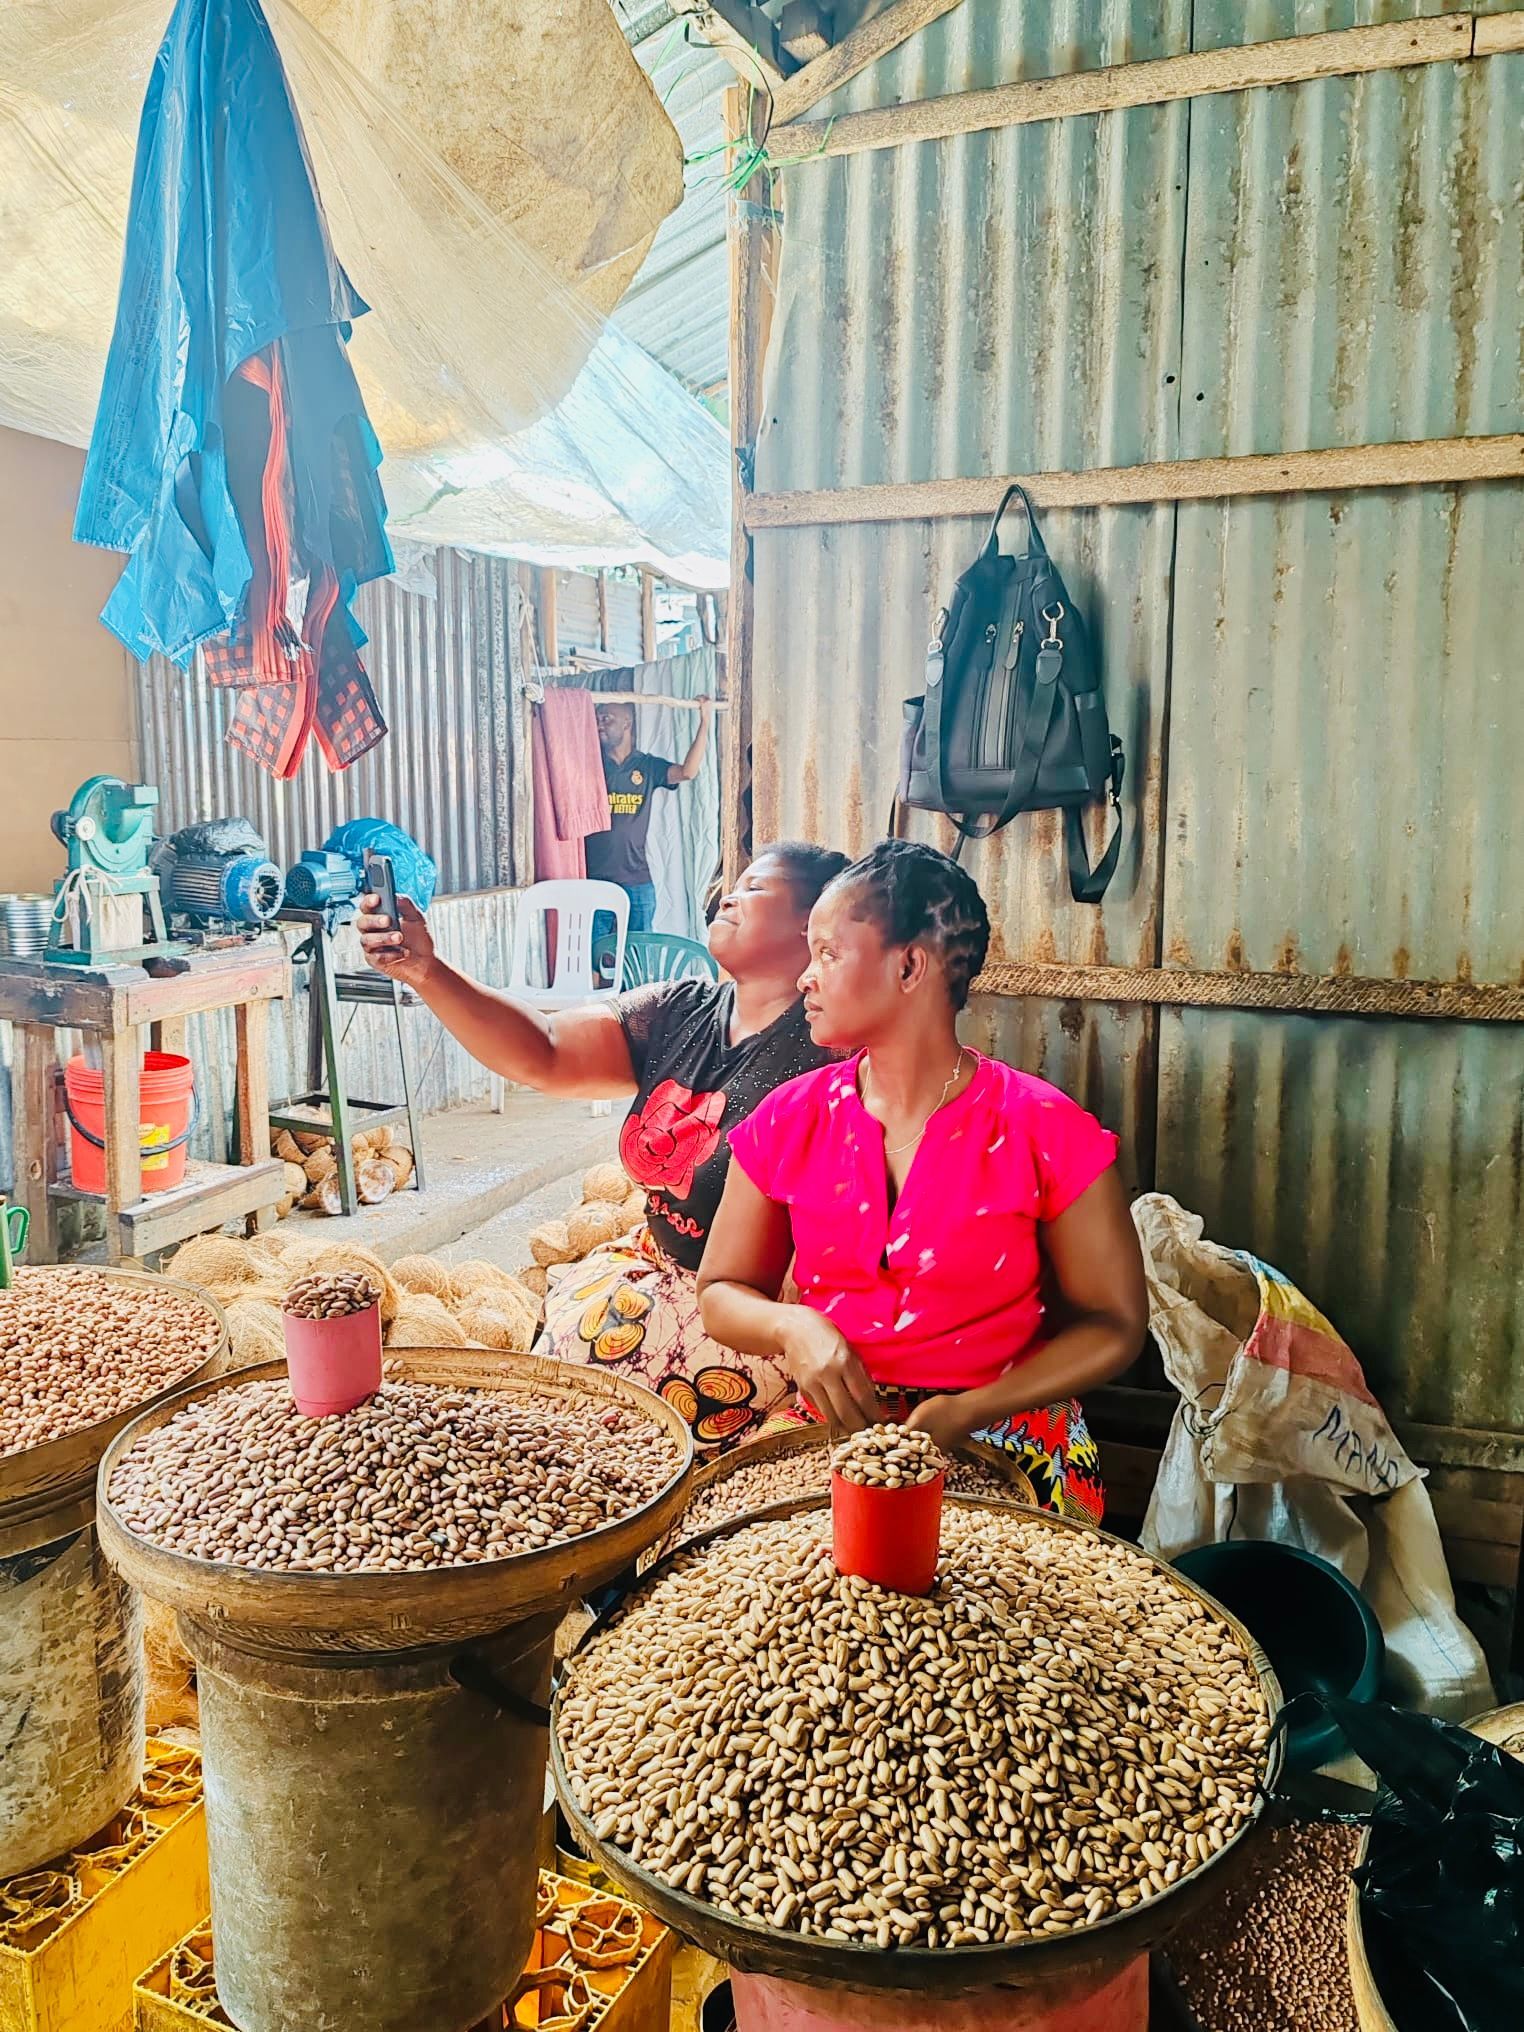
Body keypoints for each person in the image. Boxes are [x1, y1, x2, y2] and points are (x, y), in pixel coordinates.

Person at [696, 839, 1148, 1519]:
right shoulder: (788, 1119)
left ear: (909, 966)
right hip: (837, 1426)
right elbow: (720, 1291)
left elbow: (1115, 1325)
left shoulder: (1043, 1128)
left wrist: (974, 1408)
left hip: (1009, 1422)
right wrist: (794, 1329)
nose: (804, 979)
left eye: (828, 954)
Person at [357, 841, 849, 1452]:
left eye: (755, 888)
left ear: (812, 926)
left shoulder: (835, 1050)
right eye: (734, 882)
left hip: (760, 1317)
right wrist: (426, 971)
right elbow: (546, 1050)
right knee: (542, 1424)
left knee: (618, 1449)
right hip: (650, 1273)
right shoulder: (681, 1010)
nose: (728, 895)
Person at [586, 698, 712, 932]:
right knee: (594, 952)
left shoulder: (646, 766)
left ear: (627, 723)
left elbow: (688, 771)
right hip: (595, 877)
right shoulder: (591, 765)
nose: (599, 726)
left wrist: (704, 722)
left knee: (640, 954)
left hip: (637, 879)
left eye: (606, 719)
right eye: (596, 721)